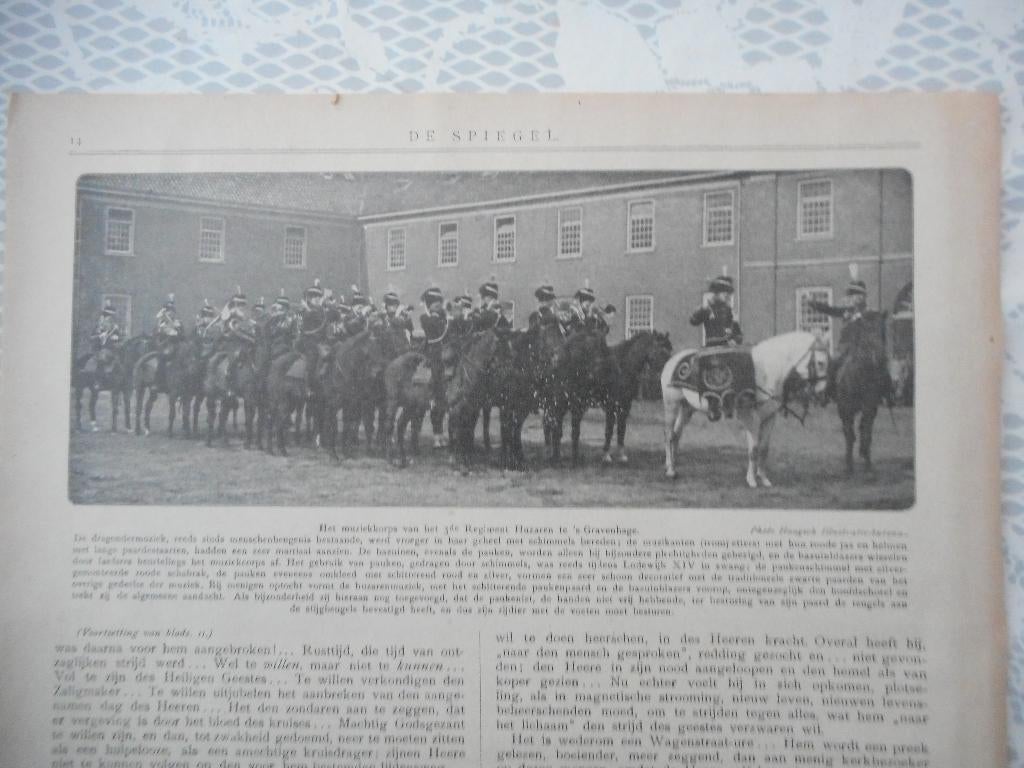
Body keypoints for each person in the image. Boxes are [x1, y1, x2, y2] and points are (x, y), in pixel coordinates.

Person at [808, 277, 890, 403]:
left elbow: (878, 322)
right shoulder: (846, 311)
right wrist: (814, 304)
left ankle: (888, 393)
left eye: (857, 294)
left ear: (863, 297)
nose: (854, 298)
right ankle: (828, 392)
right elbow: (829, 309)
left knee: (880, 362)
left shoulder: (870, 312)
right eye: (852, 294)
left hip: (864, 345)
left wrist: (864, 317)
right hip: (845, 346)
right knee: (834, 362)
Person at [419, 286, 449, 448]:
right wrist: (439, 316)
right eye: (435, 304)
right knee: (438, 393)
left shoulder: (443, 317)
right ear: (429, 306)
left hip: (445, 353)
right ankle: (437, 434)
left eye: (439, 304)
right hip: (434, 354)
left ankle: (442, 433)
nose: (439, 306)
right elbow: (434, 329)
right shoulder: (425, 318)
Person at [689, 275, 743, 347]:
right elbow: (693, 321)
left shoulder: (730, 311)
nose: (727, 296)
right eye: (724, 293)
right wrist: (702, 309)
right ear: (716, 293)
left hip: (727, 348)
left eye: (728, 294)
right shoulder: (707, 309)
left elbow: (738, 334)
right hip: (711, 348)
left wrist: (735, 341)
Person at [154, 294, 184, 387]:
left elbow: (182, 333)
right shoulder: (162, 322)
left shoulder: (177, 322)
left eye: (172, 311)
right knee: (163, 359)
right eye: (168, 311)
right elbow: (158, 333)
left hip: (177, 344)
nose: (170, 313)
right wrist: (167, 332)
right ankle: (158, 382)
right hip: (165, 344)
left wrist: (178, 332)